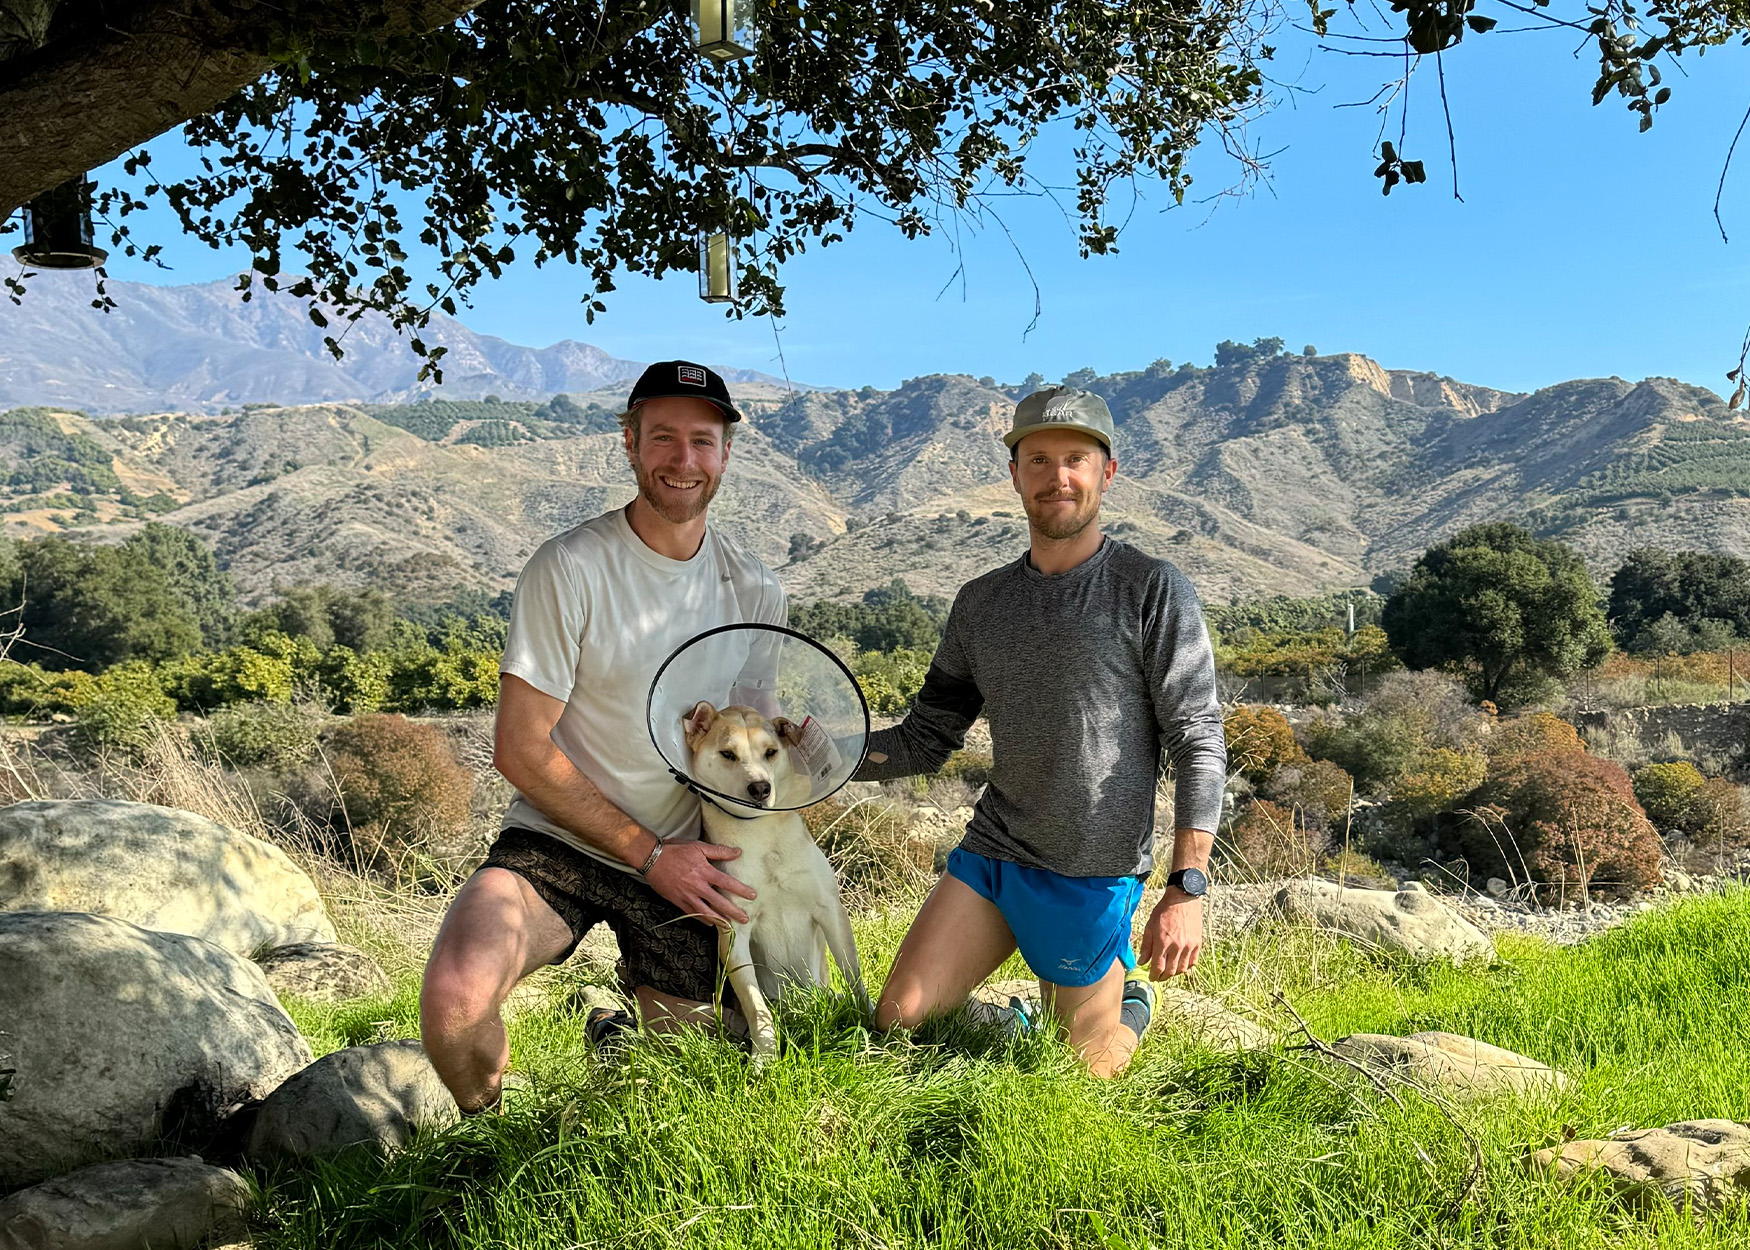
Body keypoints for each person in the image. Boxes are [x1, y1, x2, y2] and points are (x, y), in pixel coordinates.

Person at [420, 360, 784, 1113]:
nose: (683, 460)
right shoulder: (570, 569)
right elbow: (520, 750)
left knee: (697, 1091)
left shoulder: (756, 591)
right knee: (455, 1004)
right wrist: (647, 855)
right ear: (629, 442)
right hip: (564, 837)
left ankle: (614, 1032)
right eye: (663, 438)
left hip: (692, 855)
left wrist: (795, 753)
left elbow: (748, 738)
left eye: (703, 441)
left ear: (726, 454)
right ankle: (488, 1139)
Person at [858, 385, 1227, 1077]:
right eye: (1038, 460)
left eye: (1076, 460)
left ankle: (1132, 1006)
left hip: (1090, 868)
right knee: (897, 1019)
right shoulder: (981, 603)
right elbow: (926, 738)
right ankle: (1020, 1013)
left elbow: (1198, 737)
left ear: (1106, 472)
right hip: (996, 853)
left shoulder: (1149, 588)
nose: (1058, 477)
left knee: (1086, 1071)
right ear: (1016, 474)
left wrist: (1186, 889)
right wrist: (823, 756)